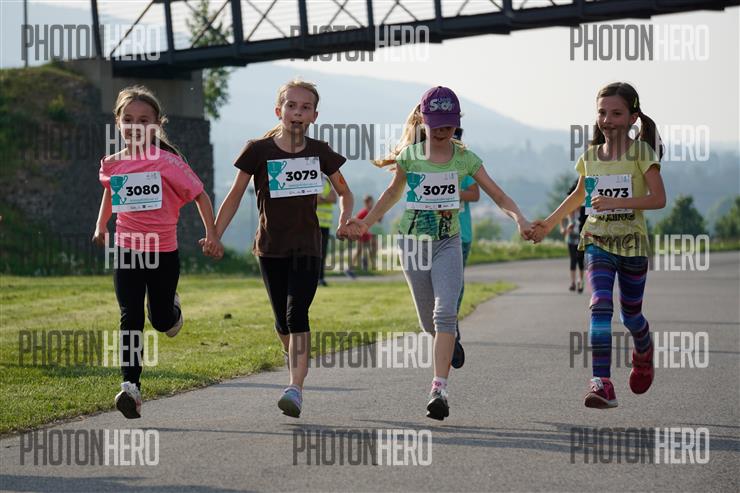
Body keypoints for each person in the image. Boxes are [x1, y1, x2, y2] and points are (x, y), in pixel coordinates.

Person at [348, 86, 532, 420]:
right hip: (413, 244)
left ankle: (439, 389)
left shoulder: (465, 159)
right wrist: (366, 223)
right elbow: (391, 194)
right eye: (436, 124)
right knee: (427, 322)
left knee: (444, 313)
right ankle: (449, 343)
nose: (443, 130)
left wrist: (519, 218)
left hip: (448, 242)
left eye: (449, 124)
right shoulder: (410, 156)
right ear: (422, 119)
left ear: (457, 122)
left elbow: (498, 195)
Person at [212, 80, 355, 418]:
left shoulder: (320, 152)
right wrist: (214, 235)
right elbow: (234, 196)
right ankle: (296, 360)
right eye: (291, 106)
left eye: (305, 108)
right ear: (279, 111)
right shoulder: (258, 150)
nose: (298, 112)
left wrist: (344, 219)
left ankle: (295, 388)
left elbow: (345, 192)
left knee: (296, 314)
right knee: (281, 322)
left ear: (314, 116)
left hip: (307, 248)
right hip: (270, 248)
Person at [531, 82, 666, 409]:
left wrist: (617, 202)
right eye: (602, 113)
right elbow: (578, 196)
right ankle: (601, 383)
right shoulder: (590, 157)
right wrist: (548, 224)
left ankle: (643, 350)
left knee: (631, 315)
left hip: (632, 245)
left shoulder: (642, 154)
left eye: (616, 113)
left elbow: (658, 198)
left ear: (632, 117)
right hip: (597, 240)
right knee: (600, 304)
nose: (607, 120)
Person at [93, 85, 222, 419]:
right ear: (118, 122)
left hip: (163, 252)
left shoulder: (168, 162)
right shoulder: (112, 164)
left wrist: (211, 234)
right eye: (128, 119)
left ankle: (172, 310)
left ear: (157, 124)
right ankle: (130, 387)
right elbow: (111, 192)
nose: (135, 126)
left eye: (144, 120)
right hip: (127, 249)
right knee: (130, 316)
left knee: (162, 320)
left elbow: (200, 195)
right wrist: (101, 225)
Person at [453, 136, 480, 368]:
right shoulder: (427, 161)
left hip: (462, 234)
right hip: (433, 235)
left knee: (456, 284)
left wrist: (451, 192)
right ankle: (446, 327)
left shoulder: (463, 165)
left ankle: (451, 325)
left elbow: (475, 193)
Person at [561, 179, 586, 293]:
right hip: (571, 237)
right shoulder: (569, 208)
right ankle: (572, 282)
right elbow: (561, 216)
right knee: (573, 260)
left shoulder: (585, 208)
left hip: (582, 237)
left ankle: (580, 281)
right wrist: (563, 228)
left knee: (580, 259)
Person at [317, 175, 337, 286]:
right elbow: (314, 200)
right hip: (314, 223)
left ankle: (321, 278)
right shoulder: (311, 178)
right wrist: (326, 198)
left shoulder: (327, 180)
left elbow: (334, 198)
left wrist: (322, 198)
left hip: (325, 224)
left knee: (322, 252)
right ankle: (314, 278)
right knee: (313, 252)